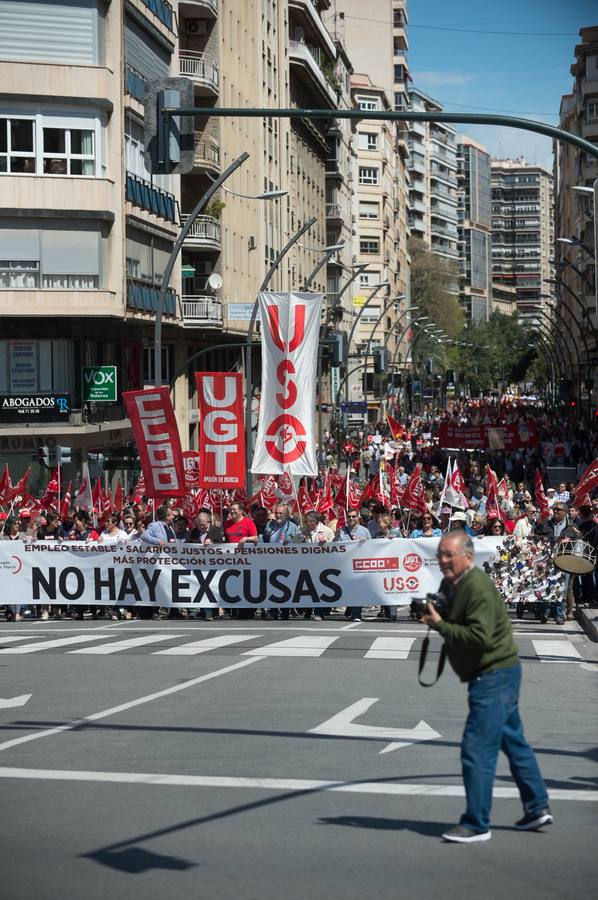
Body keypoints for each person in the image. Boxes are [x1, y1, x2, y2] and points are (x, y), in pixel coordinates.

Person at [421, 532, 552, 843]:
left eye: (449, 555)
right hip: (498, 672)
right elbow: (455, 619)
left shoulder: (476, 586)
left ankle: (477, 823)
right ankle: (536, 807)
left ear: (467, 556)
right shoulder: (452, 583)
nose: (442, 561)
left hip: (493, 674)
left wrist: (439, 624)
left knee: (477, 749)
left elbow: (479, 637)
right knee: (513, 740)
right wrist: (435, 612)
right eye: (440, 554)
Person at [335, 509, 370, 621]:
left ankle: (356, 613)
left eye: (354, 516)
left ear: (358, 517)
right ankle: (350, 608)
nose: (351, 519)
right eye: (349, 516)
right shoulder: (342, 531)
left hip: (359, 565)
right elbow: (336, 546)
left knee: (357, 588)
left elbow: (373, 547)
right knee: (348, 589)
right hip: (346, 565)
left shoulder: (365, 531)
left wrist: (366, 543)